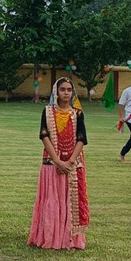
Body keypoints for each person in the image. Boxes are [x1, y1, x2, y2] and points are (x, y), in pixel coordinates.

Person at [29, 77, 90, 250]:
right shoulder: (48, 111)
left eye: (69, 90)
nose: (66, 93)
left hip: (72, 164)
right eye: (62, 89)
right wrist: (57, 161)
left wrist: (69, 162)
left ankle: (70, 239)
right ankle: (51, 237)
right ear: (56, 92)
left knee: (70, 201)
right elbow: (44, 135)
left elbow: (81, 139)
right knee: (52, 200)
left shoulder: (77, 113)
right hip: (51, 163)